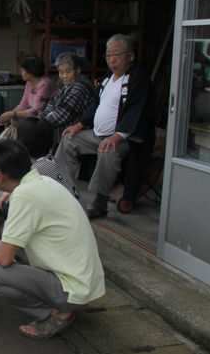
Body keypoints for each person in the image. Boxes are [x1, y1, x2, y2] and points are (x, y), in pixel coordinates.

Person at [0, 139, 105, 339]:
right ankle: (59, 307)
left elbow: (4, 258)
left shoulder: (24, 196)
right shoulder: (44, 182)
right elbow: (16, 242)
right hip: (84, 283)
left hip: (71, 290)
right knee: (6, 252)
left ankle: (56, 315)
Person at [54, 34, 153, 218]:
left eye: (117, 55)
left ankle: (98, 203)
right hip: (97, 133)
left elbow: (136, 109)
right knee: (69, 139)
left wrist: (117, 136)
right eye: (108, 55)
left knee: (108, 150)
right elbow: (96, 105)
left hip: (124, 137)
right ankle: (64, 190)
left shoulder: (138, 78)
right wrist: (80, 124)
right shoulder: (108, 78)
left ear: (130, 56)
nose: (112, 60)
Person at [0, 56, 52, 139]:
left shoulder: (45, 84)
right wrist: (7, 116)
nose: (21, 72)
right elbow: (23, 104)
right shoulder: (29, 83)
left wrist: (12, 114)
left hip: (44, 122)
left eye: (22, 70)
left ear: (31, 71)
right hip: (32, 121)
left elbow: (36, 111)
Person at [39, 53, 96, 132]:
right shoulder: (64, 85)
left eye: (68, 71)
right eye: (61, 72)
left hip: (78, 134)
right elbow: (51, 104)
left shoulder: (80, 87)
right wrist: (41, 117)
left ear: (77, 70)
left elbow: (62, 115)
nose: (64, 76)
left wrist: (40, 122)